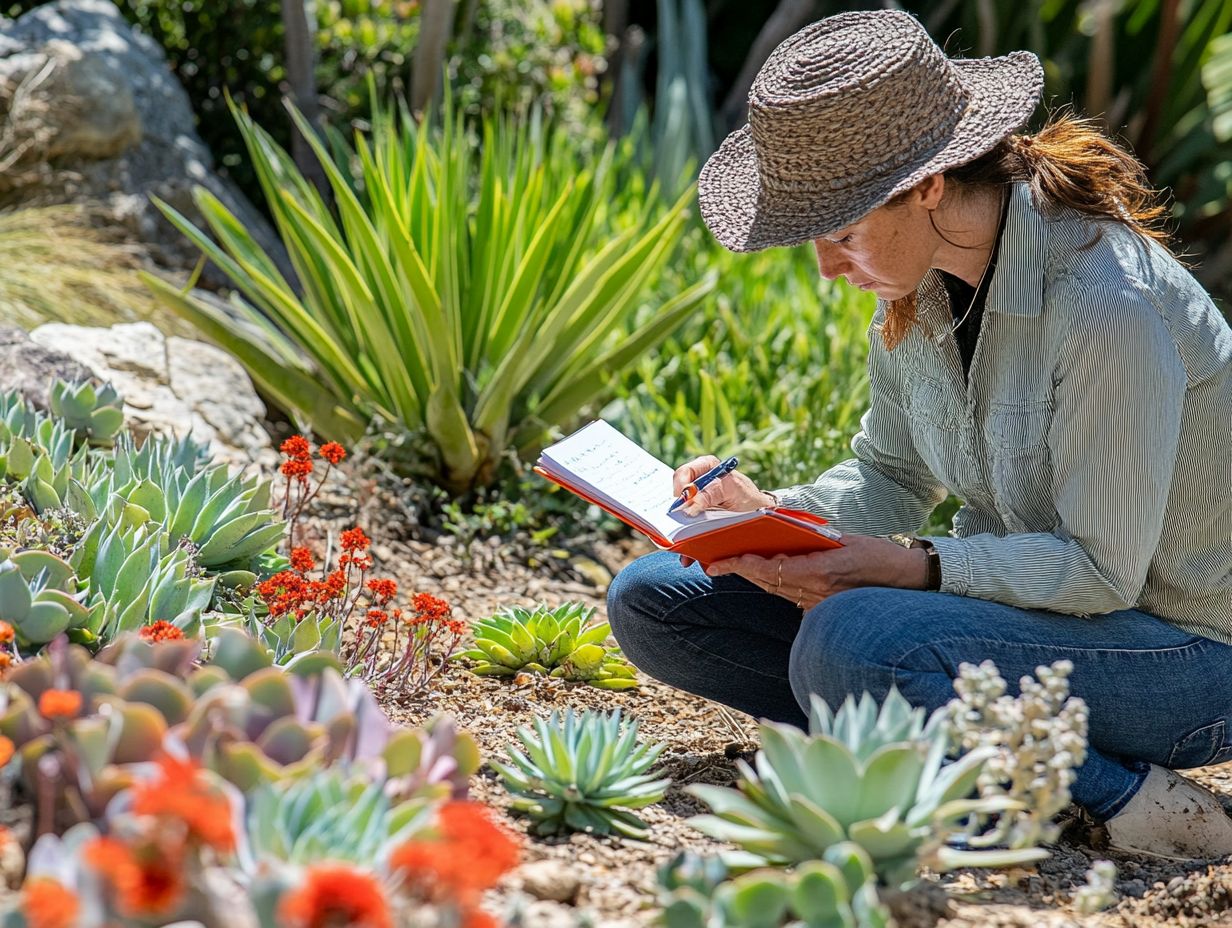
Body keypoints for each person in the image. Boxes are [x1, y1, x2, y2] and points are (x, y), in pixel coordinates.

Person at [606, 9, 1232, 861]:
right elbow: (890, 476)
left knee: (854, 643)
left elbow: (1099, 572)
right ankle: (945, 755)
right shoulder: (916, 288)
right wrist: (763, 515)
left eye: (841, 231)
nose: (827, 266)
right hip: (1027, 625)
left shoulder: (1106, 303)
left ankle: (1121, 798)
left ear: (928, 185)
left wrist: (915, 568)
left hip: (1184, 653)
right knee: (655, 598)